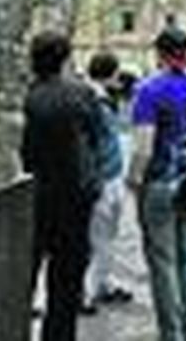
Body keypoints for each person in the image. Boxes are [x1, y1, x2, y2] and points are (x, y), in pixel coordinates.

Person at [130, 27, 186, 341]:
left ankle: (171, 333)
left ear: (159, 53)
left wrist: (134, 181)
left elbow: (143, 147)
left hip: (160, 182)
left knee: (163, 262)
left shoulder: (149, 90)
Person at [21, 31, 107, 341]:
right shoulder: (82, 94)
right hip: (74, 198)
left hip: (33, 195)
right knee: (66, 282)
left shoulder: (26, 96)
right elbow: (97, 139)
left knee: (23, 275)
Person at [83, 51, 133, 312]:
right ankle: (88, 291)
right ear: (111, 73)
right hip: (101, 177)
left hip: (112, 175)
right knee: (97, 236)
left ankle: (103, 282)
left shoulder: (105, 98)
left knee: (107, 235)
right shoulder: (91, 99)